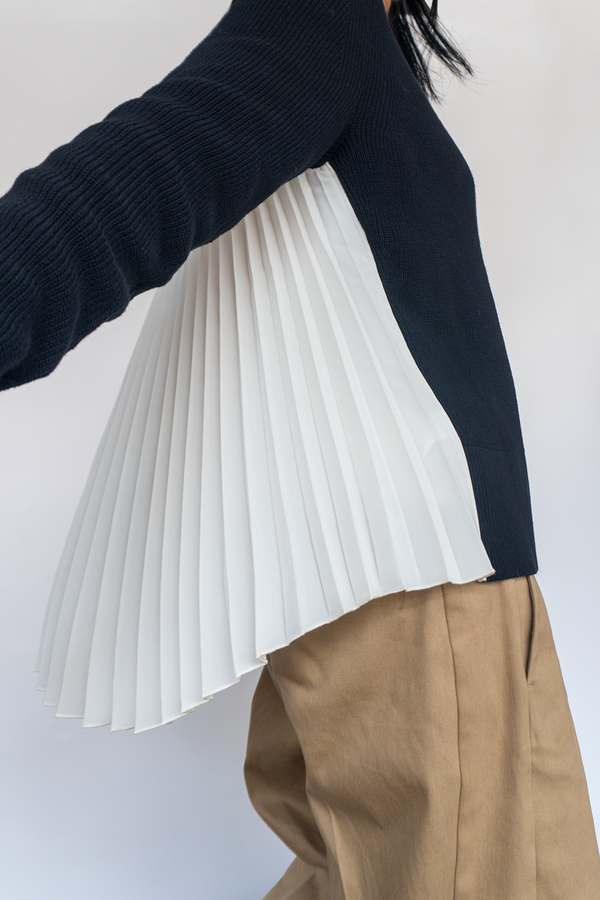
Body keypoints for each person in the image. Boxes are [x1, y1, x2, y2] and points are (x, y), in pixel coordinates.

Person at [0, 0, 598, 897]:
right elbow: (122, 190)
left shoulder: (353, 34)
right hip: (425, 589)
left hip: (416, 581)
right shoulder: (324, 18)